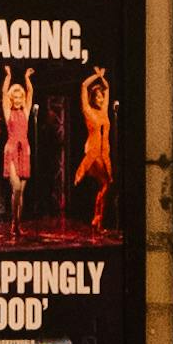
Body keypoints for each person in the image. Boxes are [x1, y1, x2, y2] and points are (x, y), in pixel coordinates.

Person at [74, 66, 120, 237]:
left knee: (105, 186)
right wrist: (95, 76)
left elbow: (107, 88)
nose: (101, 98)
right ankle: (97, 219)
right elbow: (84, 86)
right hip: (93, 151)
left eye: (101, 96)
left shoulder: (104, 111)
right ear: (92, 98)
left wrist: (103, 77)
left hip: (104, 151)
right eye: (97, 96)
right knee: (106, 183)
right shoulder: (88, 111)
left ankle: (97, 221)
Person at [0, 67, 37, 226]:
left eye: (20, 96)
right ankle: (14, 221)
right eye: (15, 97)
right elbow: (3, 93)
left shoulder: (26, 112)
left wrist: (27, 78)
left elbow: (31, 93)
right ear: (11, 99)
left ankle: (18, 224)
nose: (19, 99)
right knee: (16, 188)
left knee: (21, 192)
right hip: (12, 149)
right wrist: (9, 76)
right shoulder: (8, 113)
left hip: (25, 150)